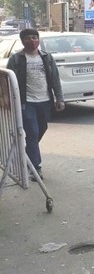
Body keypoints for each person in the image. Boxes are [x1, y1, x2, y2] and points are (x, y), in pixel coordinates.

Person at [7, 28, 65, 180]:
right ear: (22, 41)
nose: (32, 41)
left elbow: (54, 79)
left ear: (38, 40)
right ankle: (35, 167)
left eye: (34, 37)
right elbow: (8, 82)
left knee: (42, 128)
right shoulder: (16, 59)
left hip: (45, 101)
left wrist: (59, 98)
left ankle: (26, 155)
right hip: (27, 103)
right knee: (32, 133)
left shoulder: (46, 57)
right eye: (28, 38)